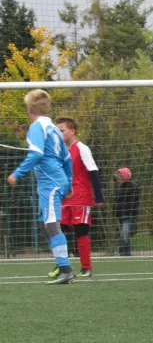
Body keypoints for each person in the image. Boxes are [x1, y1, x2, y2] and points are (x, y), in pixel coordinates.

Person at [7, 89, 75, 285]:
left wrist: (17, 174)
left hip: (51, 183)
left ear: (30, 109)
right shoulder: (54, 128)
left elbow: (36, 154)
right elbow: (67, 157)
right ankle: (62, 265)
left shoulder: (37, 127)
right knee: (47, 224)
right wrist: (68, 182)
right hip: (57, 181)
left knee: (52, 225)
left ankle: (65, 269)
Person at [45, 117, 105, 279]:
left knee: (81, 231)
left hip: (81, 197)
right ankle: (62, 266)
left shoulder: (82, 148)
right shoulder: (60, 150)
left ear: (72, 131)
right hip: (64, 198)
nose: (59, 133)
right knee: (58, 230)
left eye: (62, 130)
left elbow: (93, 172)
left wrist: (99, 197)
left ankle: (86, 267)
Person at [114, 167, 140, 256]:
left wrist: (127, 212)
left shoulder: (133, 187)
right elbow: (117, 201)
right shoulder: (119, 187)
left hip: (128, 216)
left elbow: (133, 202)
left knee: (125, 236)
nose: (118, 178)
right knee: (122, 236)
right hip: (120, 216)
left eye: (120, 176)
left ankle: (126, 254)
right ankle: (122, 254)